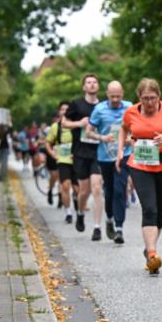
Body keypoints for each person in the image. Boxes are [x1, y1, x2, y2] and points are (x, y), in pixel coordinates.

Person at [117, 78, 162, 274]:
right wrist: (120, 150)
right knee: (149, 208)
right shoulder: (131, 112)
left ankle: (149, 248)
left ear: (159, 97)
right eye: (145, 98)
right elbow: (123, 129)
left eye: (153, 98)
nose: (149, 102)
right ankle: (152, 254)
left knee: (160, 211)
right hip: (140, 165)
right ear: (139, 97)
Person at [88, 81, 133, 244]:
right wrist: (102, 137)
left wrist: (129, 139)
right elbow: (88, 132)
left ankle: (119, 228)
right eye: (112, 96)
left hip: (123, 154)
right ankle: (109, 218)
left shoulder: (130, 107)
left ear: (123, 94)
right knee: (109, 191)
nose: (115, 99)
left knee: (120, 189)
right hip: (105, 157)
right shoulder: (99, 109)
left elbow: (136, 128)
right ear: (107, 94)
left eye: (118, 96)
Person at [62, 73, 102, 234]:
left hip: (99, 151)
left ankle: (97, 227)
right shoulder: (76, 104)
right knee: (84, 190)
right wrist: (79, 123)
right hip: (80, 152)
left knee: (97, 187)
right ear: (84, 87)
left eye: (94, 82)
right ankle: (79, 212)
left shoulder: (103, 106)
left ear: (98, 86)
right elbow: (64, 123)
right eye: (88, 82)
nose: (92, 85)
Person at [46, 104, 76, 224]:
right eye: (62, 110)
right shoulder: (55, 127)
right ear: (59, 112)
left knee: (78, 189)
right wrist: (53, 154)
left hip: (76, 160)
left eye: (67, 109)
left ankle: (77, 202)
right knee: (65, 186)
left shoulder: (76, 125)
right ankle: (68, 212)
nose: (65, 112)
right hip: (62, 160)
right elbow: (48, 143)